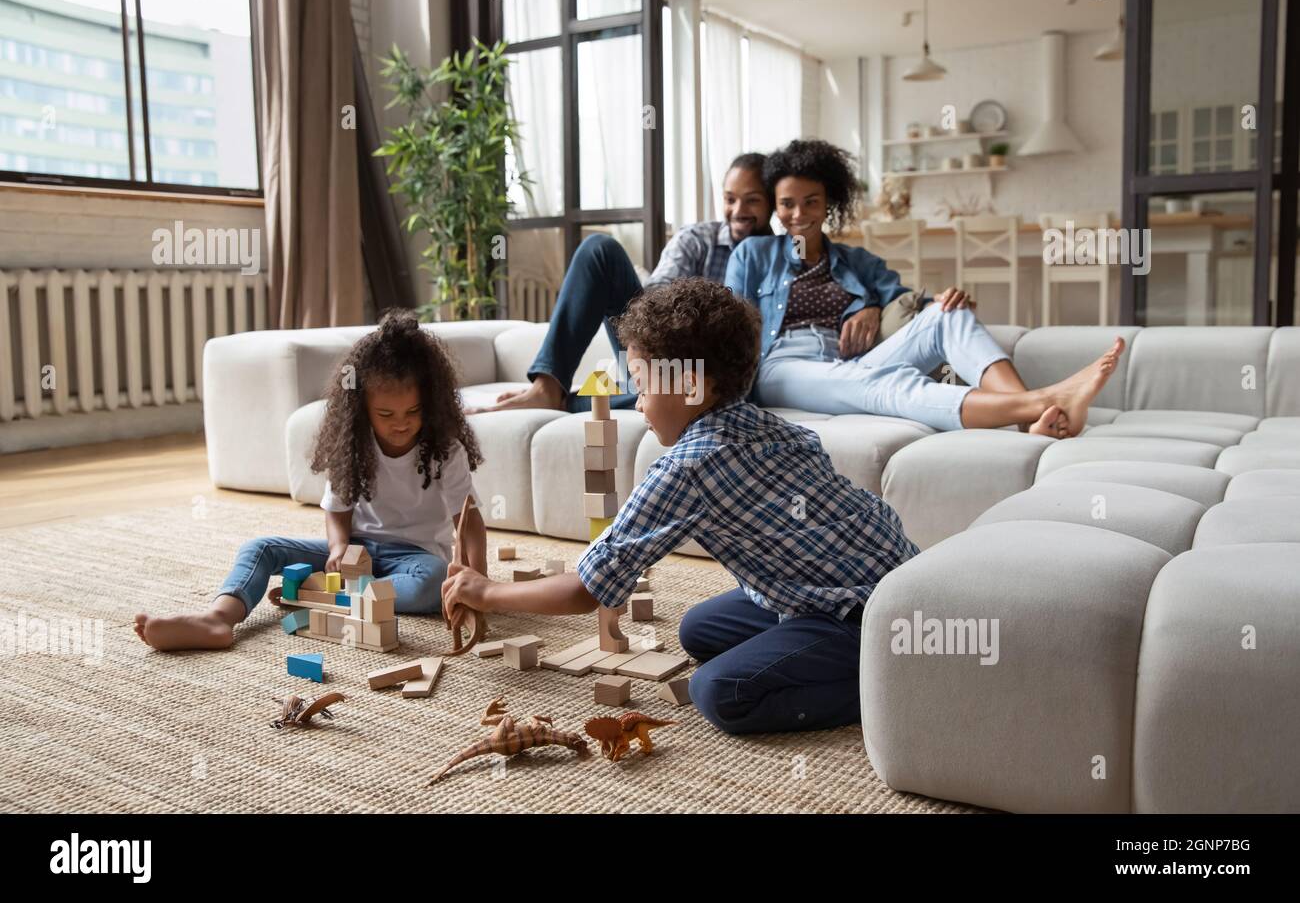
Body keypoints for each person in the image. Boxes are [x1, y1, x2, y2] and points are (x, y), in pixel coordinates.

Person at [441, 278, 919, 734]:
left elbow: (589, 590)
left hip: (868, 614)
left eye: (644, 387)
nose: (638, 405)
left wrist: (486, 594)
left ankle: (886, 681)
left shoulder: (688, 468)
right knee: (698, 630)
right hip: (873, 575)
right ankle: (831, 648)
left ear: (694, 387)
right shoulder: (765, 424)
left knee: (720, 693)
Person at [134, 311, 488, 651]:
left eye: (413, 411)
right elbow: (337, 511)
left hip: (414, 559)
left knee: (433, 581)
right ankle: (218, 618)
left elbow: (468, 519)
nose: (401, 423)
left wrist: (479, 581)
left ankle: (317, 594)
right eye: (385, 414)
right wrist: (337, 548)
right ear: (361, 408)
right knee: (260, 549)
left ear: (432, 403)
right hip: (354, 550)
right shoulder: (353, 444)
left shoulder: (445, 451)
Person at [726, 140, 1124, 436]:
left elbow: (908, 301)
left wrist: (914, 304)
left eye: (811, 202)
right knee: (884, 385)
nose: (799, 214)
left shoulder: (854, 261)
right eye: (787, 204)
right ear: (776, 207)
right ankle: (1042, 402)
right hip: (783, 367)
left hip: (845, 364)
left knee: (947, 314)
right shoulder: (753, 255)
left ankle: (1028, 421)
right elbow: (730, 330)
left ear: (829, 204)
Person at [477, 153, 773, 414]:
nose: (738, 210)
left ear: (771, 202)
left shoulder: (783, 256)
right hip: (658, 354)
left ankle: (578, 402)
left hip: (714, 379)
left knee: (716, 396)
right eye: (730, 199)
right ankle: (549, 386)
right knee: (599, 249)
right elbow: (654, 303)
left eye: (752, 200)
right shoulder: (697, 240)